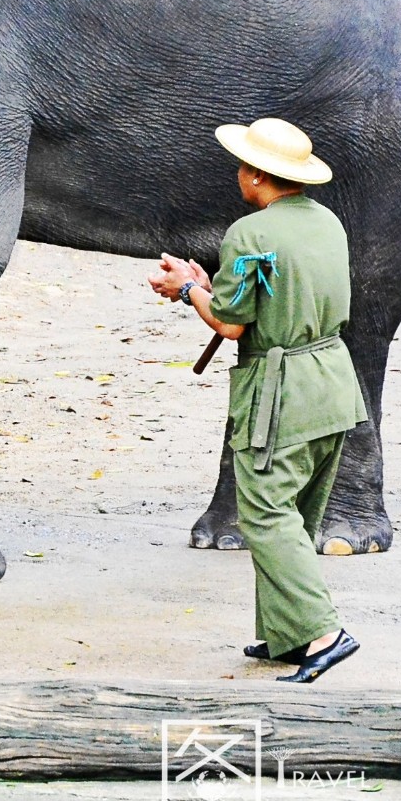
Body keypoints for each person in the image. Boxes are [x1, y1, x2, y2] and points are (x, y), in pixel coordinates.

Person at [149, 118, 368, 684]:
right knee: (296, 514)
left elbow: (230, 322)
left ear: (256, 176)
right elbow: (262, 295)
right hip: (333, 383)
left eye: (243, 166)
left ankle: (323, 632)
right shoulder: (328, 224)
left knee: (266, 514)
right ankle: (286, 636)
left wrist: (187, 289)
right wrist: (208, 282)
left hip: (281, 392)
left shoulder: (250, 233)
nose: (238, 174)